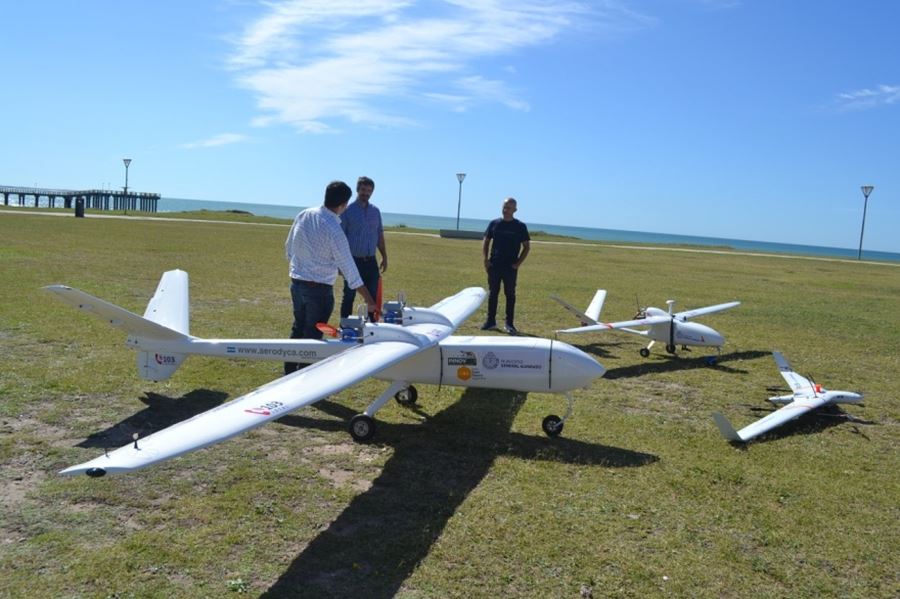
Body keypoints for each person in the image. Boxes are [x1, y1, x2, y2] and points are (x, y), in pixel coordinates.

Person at [283, 181, 377, 375]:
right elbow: (351, 271)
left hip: (297, 284)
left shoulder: (304, 214)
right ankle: (304, 378)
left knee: (298, 328)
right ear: (343, 205)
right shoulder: (335, 230)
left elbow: (289, 248)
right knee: (313, 335)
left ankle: (289, 372)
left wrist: (303, 267)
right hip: (319, 291)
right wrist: (369, 300)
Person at [339, 176, 387, 319]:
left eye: (369, 190)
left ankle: (371, 326)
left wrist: (385, 256)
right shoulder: (347, 211)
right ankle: (345, 326)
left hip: (371, 261)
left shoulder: (375, 211)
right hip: (352, 261)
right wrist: (340, 264)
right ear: (357, 190)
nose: (366, 193)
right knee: (349, 296)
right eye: (363, 190)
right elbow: (340, 238)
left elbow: (379, 235)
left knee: (372, 296)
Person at [481, 197, 530, 334]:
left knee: (510, 295)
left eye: (509, 207)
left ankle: (509, 324)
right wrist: (486, 260)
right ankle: (490, 322)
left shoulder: (520, 226)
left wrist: (518, 264)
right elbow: (486, 241)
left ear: (515, 210)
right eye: (504, 207)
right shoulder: (494, 223)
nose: (506, 210)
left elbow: (526, 247)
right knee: (492, 294)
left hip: (510, 267)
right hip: (494, 264)